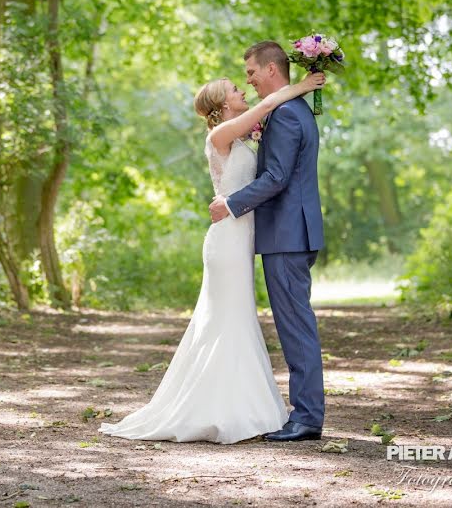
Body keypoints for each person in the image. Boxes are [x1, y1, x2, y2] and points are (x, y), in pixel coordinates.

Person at [98, 62, 325, 444]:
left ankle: (242, 404)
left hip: (244, 238)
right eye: (235, 88)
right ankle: (219, 407)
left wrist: (302, 86)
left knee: (238, 322)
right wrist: (303, 84)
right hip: (227, 242)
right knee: (226, 320)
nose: (243, 89)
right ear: (221, 105)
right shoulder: (222, 134)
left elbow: (273, 164)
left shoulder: (243, 139)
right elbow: (269, 104)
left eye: (245, 80)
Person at [208, 41, 327, 442]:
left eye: (252, 72)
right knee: (294, 324)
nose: (249, 80)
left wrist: (232, 204)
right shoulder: (290, 109)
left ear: (272, 70)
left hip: (287, 236)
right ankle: (303, 412)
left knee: (295, 327)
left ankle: (307, 416)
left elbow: (276, 178)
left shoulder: (287, 116)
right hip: (288, 233)